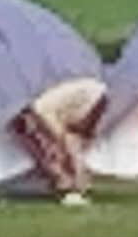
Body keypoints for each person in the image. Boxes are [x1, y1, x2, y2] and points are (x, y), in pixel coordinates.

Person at [10, 73, 109, 204]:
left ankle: (76, 185)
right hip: (96, 94)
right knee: (71, 142)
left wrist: (61, 159)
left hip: (92, 96)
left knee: (69, 144)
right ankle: (78, 184)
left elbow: (60, 136)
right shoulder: (41, 110)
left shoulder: (41, 112)